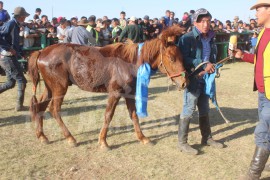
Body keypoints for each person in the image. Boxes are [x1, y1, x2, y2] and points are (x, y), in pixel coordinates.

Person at [177, 8, 224, 155]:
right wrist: (203, 64)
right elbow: (183, 59)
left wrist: (213, 66)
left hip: (206, 80)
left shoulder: (211, 38)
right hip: (193, 79)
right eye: (202, 21)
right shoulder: (186, 38)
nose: (206, 24)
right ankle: (182, 143)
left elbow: (213, 58)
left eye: (208, 21)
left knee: (204, 109)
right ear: (195, 22)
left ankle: (207, 138)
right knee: (189, 110)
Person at [234, 0, 270, 179]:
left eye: (258, 10)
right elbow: (260, 60)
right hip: (263, 92)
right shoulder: (263, 33)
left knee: (263, 132)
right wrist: (243, 56)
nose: (255, 14)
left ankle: (253, 175)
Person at [0, 6, 29, 111]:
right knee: (22, 80)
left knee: (10, 83)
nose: (25, 18)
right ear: (21, 16)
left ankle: (19, 105)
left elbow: (14, 43)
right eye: (24, 16)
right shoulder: (11, 24)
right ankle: (19, 106)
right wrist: (8, 48)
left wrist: (20, 54)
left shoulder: (15, 25)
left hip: (8, 57)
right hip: (7, 57)